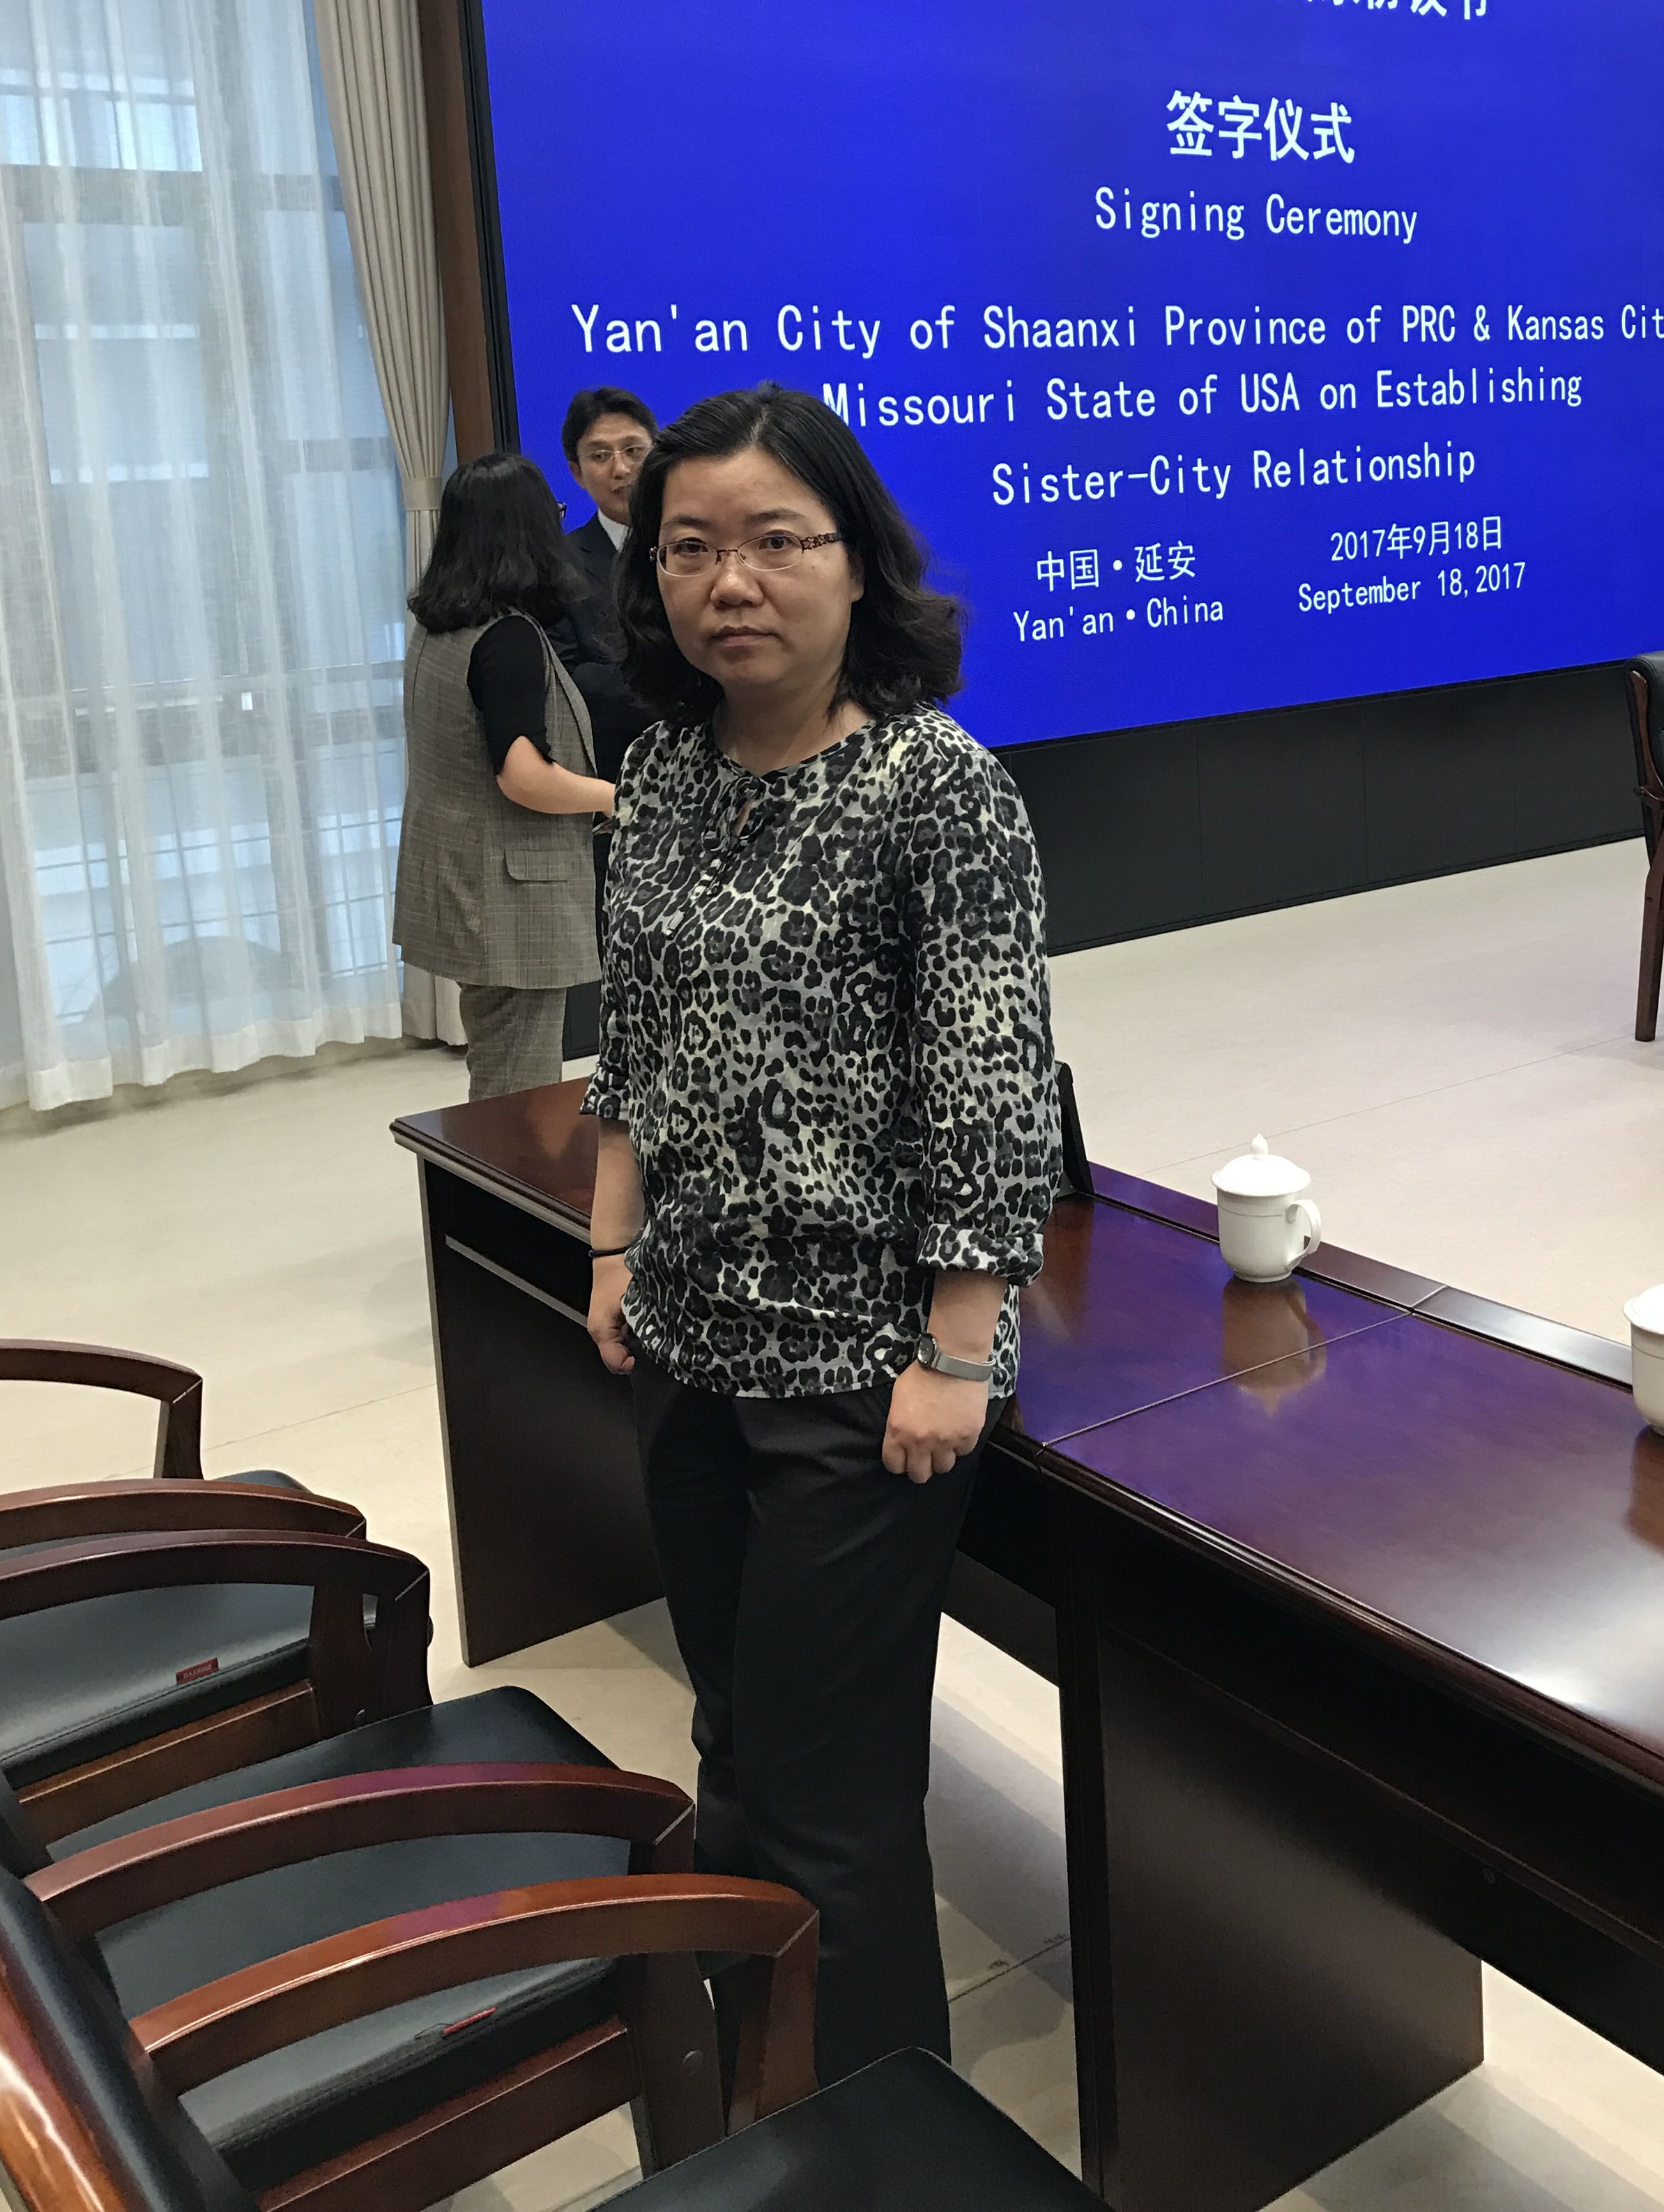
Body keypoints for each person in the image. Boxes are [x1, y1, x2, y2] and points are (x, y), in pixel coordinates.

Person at [581, 382, 1058, 2088]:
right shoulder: (663, 768)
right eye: (690, 548)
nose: (731, 582)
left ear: (858, 563)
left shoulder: (940, 791)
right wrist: (613, 1252)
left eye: (777, 541)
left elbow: (989, 1081)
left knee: (831, 1791)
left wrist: (954, 1347)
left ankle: (873, 2128)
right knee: (732, 1729)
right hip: (687, 1338)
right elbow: (633, 1038)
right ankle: (758, 2067)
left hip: (863, 1373)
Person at [395, 452, 616, 1102]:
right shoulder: (507, 638)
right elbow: (524, 776)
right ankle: (502, 1175)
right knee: (517, 1094)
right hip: (512, 893)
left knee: (498, 1071)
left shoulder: (438, 626)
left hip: (460, 880)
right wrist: (618, 797)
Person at [551, 386, 657, 783]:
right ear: (576, 473)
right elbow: (568, 678)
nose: (621, 470)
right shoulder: (558, 564)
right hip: (616, 776)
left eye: (634, 451)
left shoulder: (704, 545)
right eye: (600, 456)